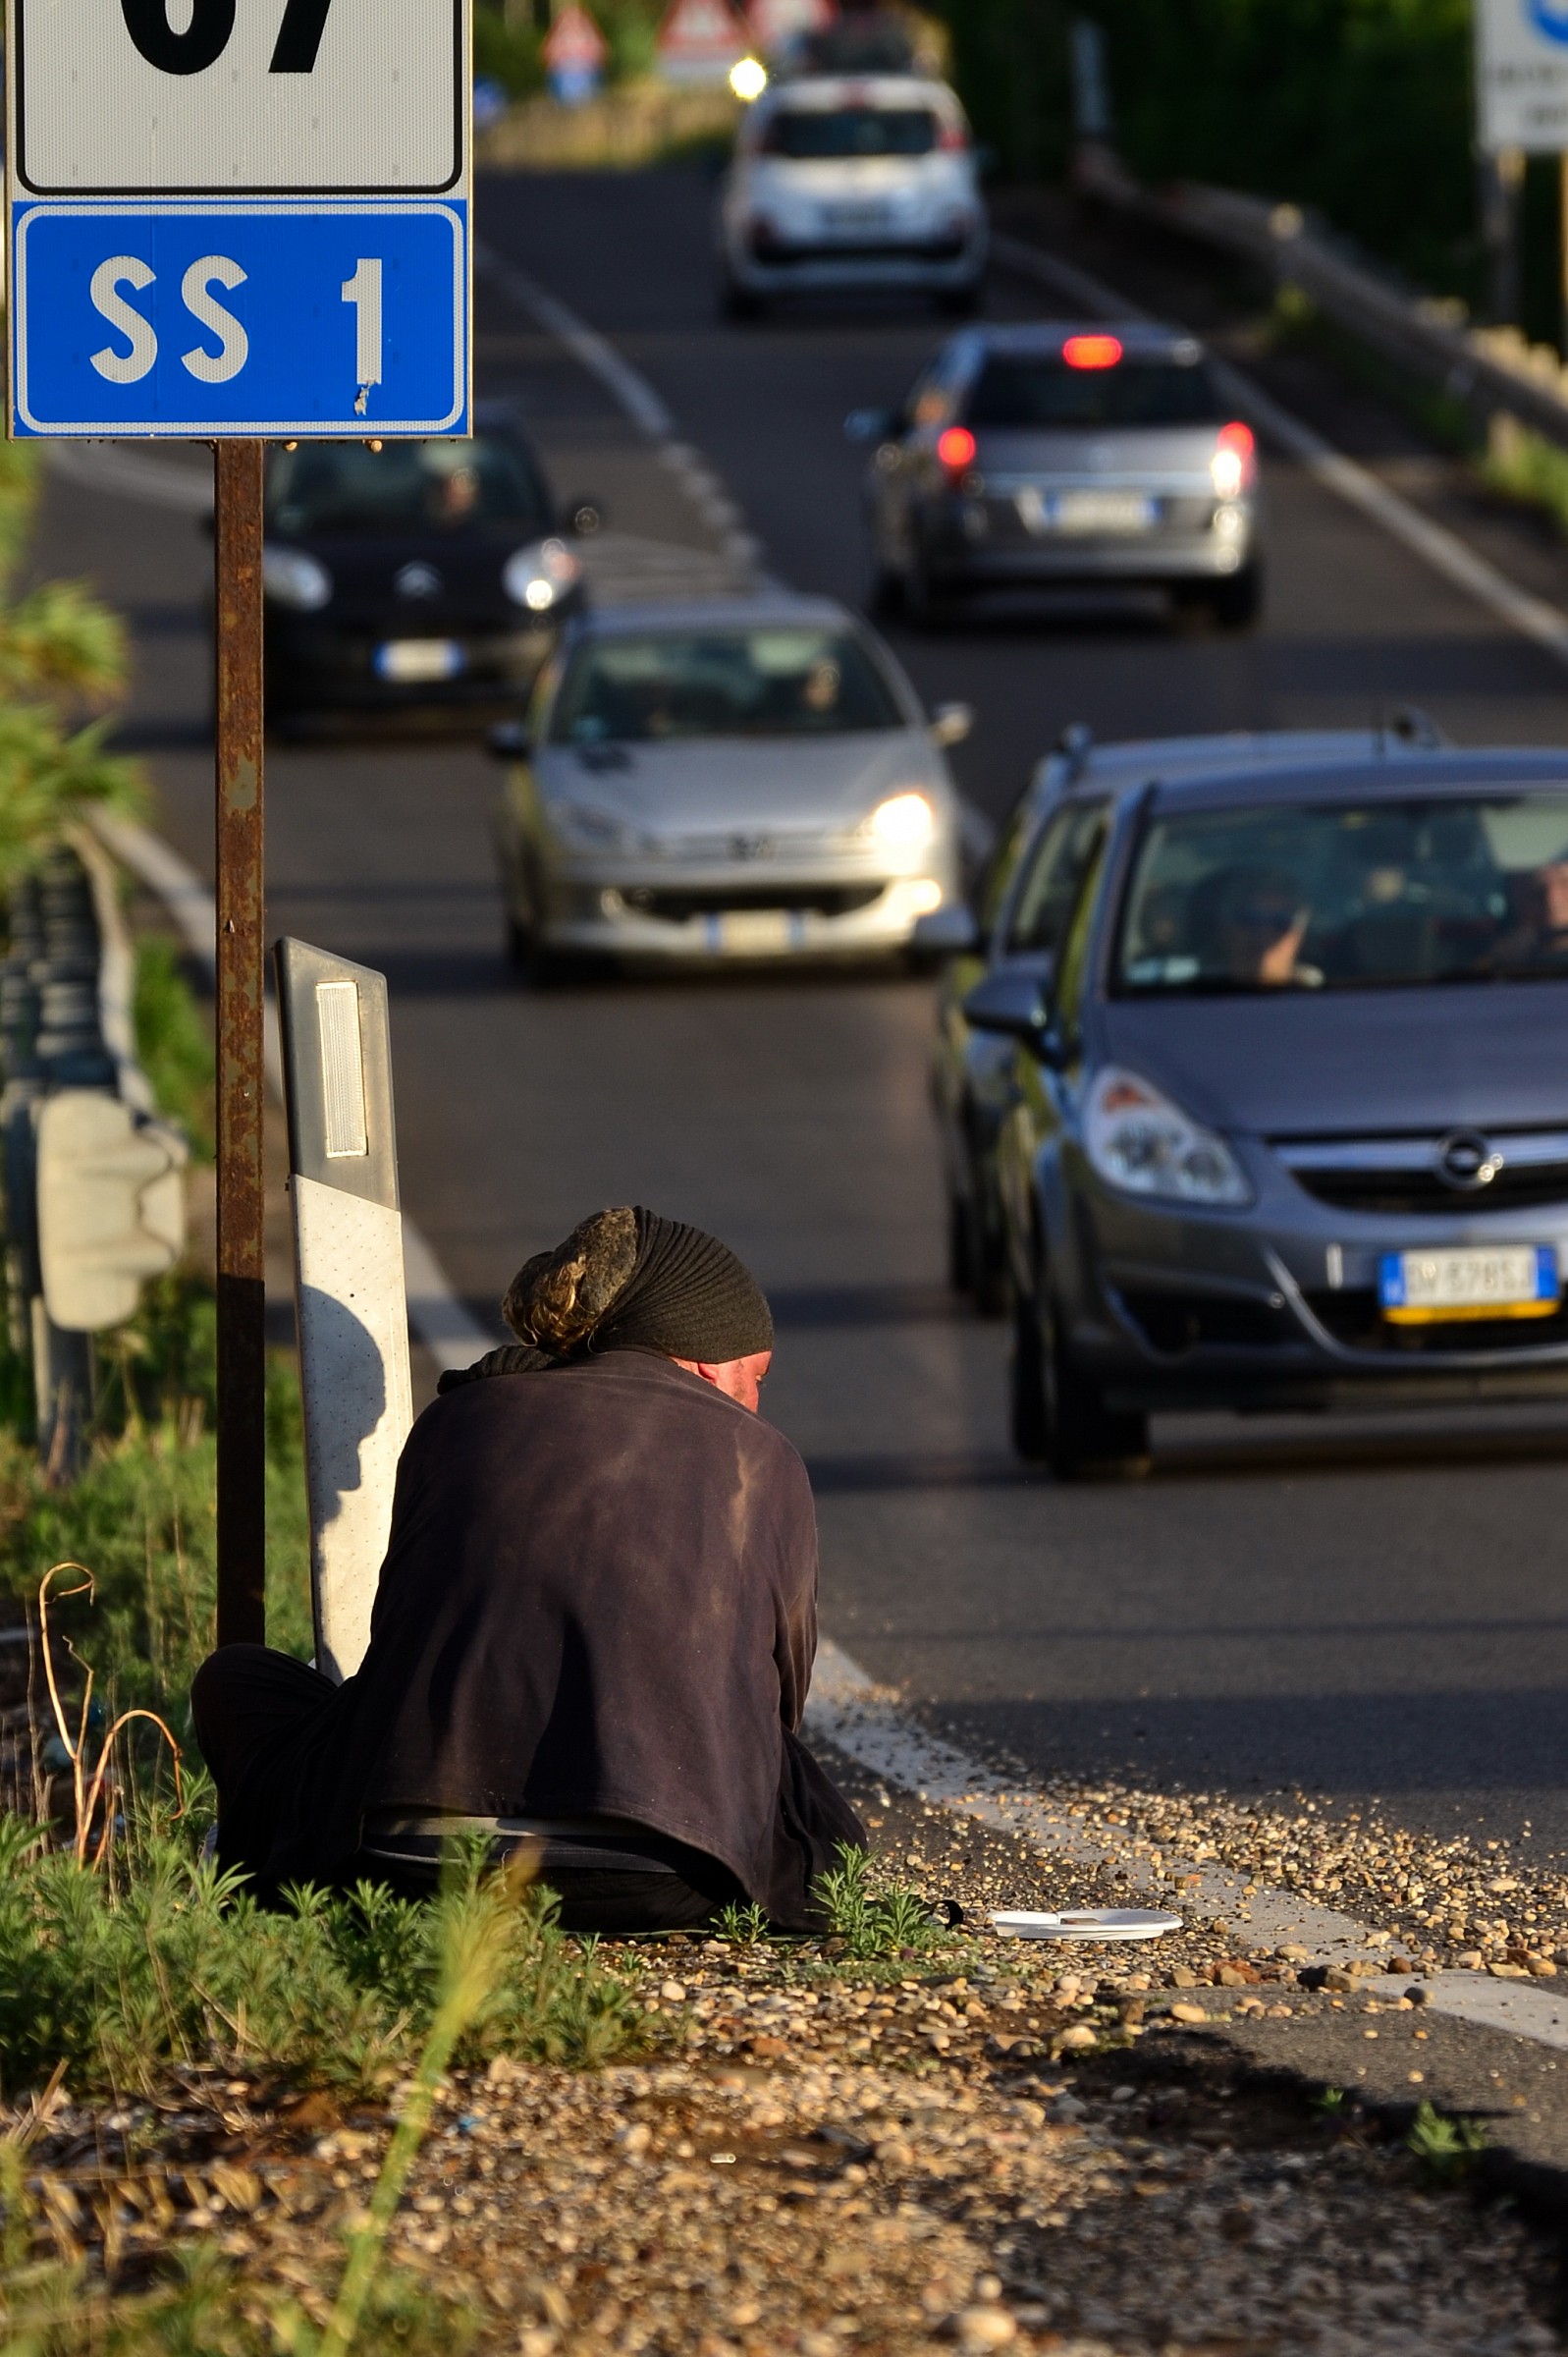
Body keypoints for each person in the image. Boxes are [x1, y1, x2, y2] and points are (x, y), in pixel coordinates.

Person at [191, 1208, 866, 1934]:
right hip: (675, 1877)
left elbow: (398, 1643)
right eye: (755, 1376)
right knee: (808, 1799)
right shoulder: (761, 1459)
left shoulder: (455, 1418)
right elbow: (781, 1699)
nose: (757, 1401)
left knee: (240, 1679)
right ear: (703, 1356)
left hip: (413, 1862)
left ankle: (252, 1876)